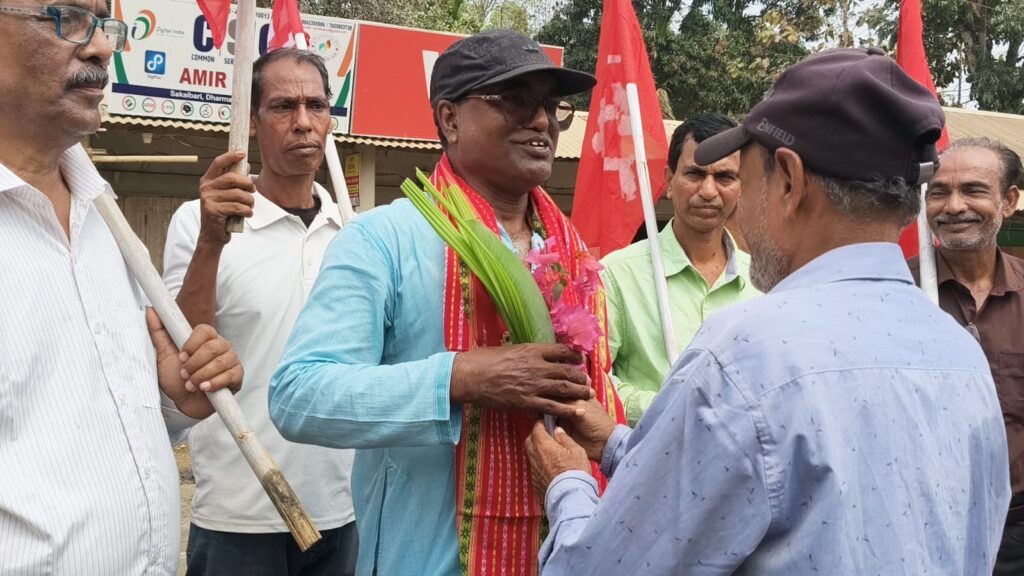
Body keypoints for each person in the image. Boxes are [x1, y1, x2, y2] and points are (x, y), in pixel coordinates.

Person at [524, 47, 1010, 574]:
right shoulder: (961, 353)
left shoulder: (744, 355)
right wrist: (621, 445)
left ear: (789, 181)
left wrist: (567, 485)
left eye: (744, 180)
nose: (726, 204)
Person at [269, 29, 623, 576]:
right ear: (450, 119)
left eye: (552, 106)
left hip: (570, 551)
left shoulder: (569, 251)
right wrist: (460, 377)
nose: (541, 121)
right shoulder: (383, 239)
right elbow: (298, 395)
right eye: (516, 100)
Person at [0, 2, 243, 573]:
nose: (103, 48)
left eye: (105, 24)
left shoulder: (103, 215)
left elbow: (92, 418)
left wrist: (172, 397)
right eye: (66, 18)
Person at [163, 49, 356, 575]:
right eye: (283, 106)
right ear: (251, 122)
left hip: (340, 510)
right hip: (238, 514)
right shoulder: (199, 221)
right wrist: (211, 239)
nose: (303, 122)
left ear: (330, 120)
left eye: (316, 106)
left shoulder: (353, 231)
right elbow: (181, 356)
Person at [910, 137, 1023, 575]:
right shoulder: (892, 292)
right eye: (938, 192)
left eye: (973, 190)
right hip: (923, 525)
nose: (954, 206)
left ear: (1008, 201)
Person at [601, 113, 759, 423]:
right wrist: (673, 408)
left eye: (724, 177)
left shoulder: (763, 282)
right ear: (669, 181)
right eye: (695, 174)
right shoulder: (616, 275)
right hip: (648, 450)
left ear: (742, 186)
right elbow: (595, 378)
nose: (708, 191)